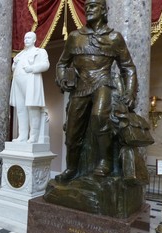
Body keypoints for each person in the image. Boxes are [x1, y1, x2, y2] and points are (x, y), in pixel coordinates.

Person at [55, 0, 138, 183]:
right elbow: (62, 63)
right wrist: (63, 79)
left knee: (100, 116)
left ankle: (105, 162)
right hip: (80, 86)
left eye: (93, 6)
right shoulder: (75, 36)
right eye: (86, 7)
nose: (88, 10)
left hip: (103, 82)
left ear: (103, 10)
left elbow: (128, 67)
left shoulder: (114, 37)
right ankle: (71, 168)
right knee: (72, 130)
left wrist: (130, 92)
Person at [9, 31, 50, 143]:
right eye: (25, 38)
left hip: (31, 81)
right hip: (18, 83)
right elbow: (14, 68)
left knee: (32, 108)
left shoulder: (40, 51)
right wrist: (14, 64)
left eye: (29, 38)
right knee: (21, 109)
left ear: (34, 40)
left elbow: (46, 65)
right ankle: (22, 135)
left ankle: (33, 136)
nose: (26, 40)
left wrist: (32, 68)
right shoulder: (19, 54)